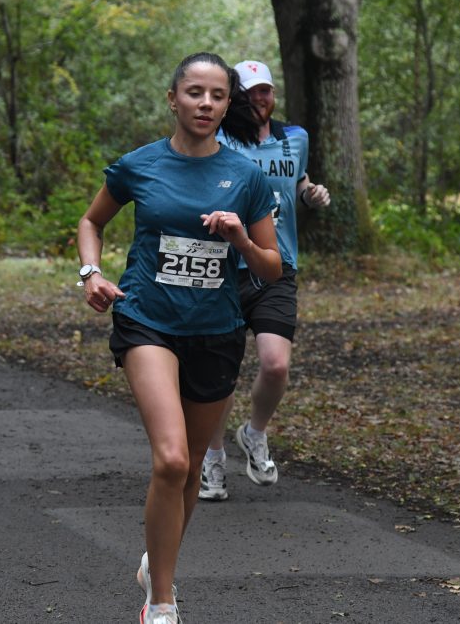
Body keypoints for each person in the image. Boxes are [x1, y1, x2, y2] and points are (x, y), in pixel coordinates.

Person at [77, 52, 282, 624]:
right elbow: (92, 221)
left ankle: (157, 562)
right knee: (170, 460)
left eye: (217, 96)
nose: (206, 104)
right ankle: (161, 603)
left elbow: (271, 269)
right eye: (195, 93)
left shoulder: (247, 177)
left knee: (191, 467)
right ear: (173, 98)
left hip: (215, 331)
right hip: (147, 319)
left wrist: (241, 239)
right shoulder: (140, 165)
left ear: (227, 104)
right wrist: (91, 273)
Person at [198, 60, 331, 502]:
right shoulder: (218, 139)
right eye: (251, 92)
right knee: (221, 376)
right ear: (237, 97)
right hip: (225, 268)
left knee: (276, 365)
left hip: (277, 264)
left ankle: (254, 433)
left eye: (266, 91)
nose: (260, 99)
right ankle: (212, 459)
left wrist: (310, 194)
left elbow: (296, 184)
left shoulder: (295, 139)